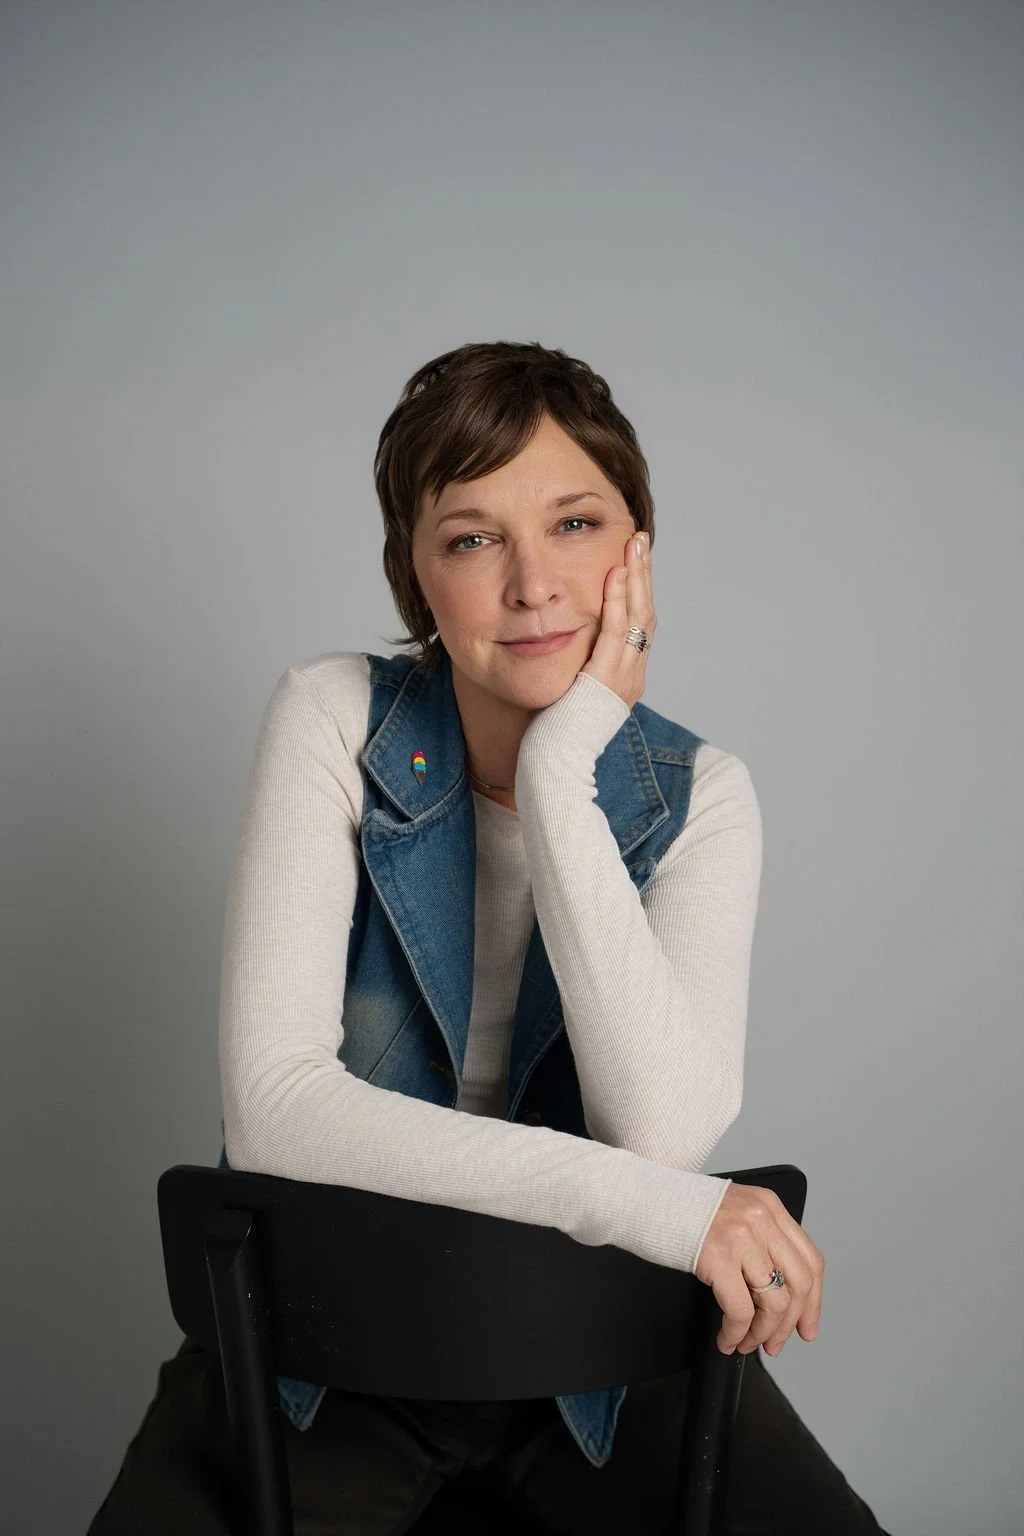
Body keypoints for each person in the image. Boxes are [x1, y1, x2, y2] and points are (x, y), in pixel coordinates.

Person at [87, 341, 890, 1534]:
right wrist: (666, 1211)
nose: (532, 585)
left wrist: (566, 774)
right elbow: (276, 1107)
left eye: (574, 524)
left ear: (638, 554)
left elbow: (663, 1130)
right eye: (471, 538)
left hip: (600, 1356)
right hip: (332, 1345)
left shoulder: (700, 796)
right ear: (416, 579)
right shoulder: (332, 717)